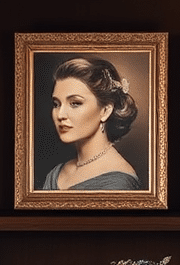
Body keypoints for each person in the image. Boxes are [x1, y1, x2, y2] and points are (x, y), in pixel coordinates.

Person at [40, 56, 142, 191]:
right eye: (56, 104)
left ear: (105, 110)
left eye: (75, 103)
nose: (60, 115)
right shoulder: (56, 174)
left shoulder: (119, 184)